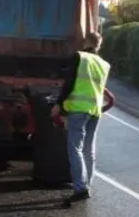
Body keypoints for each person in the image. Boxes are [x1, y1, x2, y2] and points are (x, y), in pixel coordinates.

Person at [51, 32, 111, 204]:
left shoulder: (80, 56)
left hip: (78, 109)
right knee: (88, 149)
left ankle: (80, 187)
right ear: (99, 45)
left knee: (75, 148)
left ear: (86, 42)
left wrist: (59, 104)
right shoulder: (104, 64)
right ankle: (87, 185)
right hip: (95, 110)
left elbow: (69, 82)